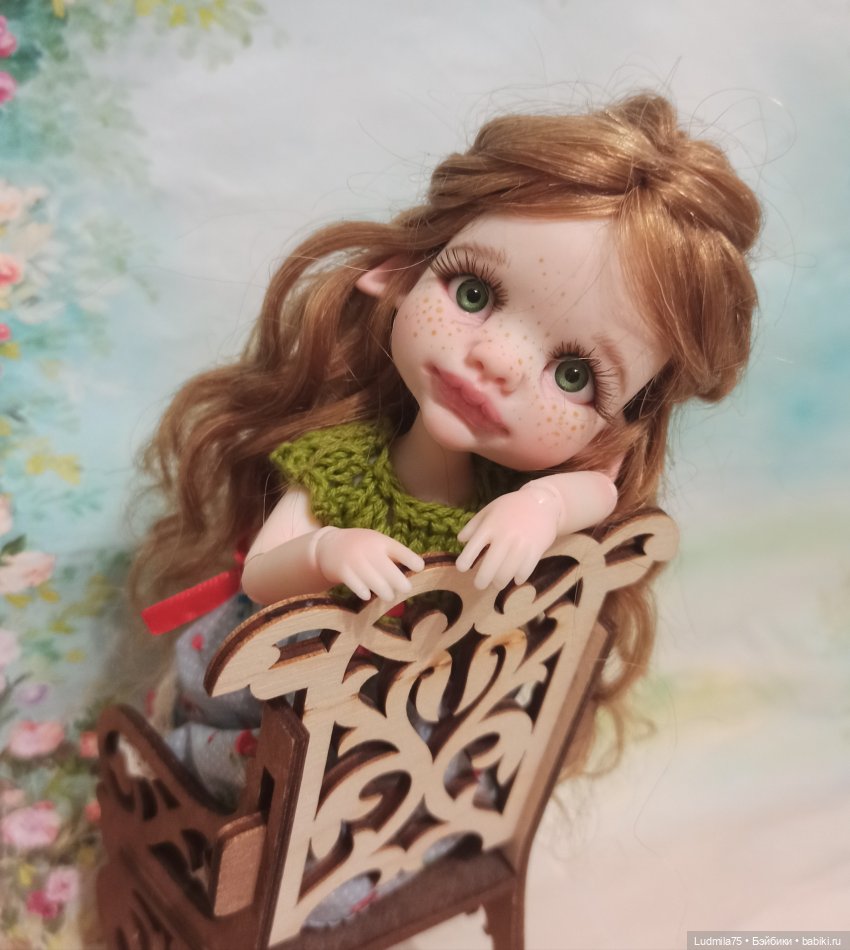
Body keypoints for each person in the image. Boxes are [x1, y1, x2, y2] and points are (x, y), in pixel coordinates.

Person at [130, 90, 760, 812]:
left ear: (611, 430)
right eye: (474, 293)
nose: (498, 362)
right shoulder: (345, 463)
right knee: (244, 770)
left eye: (574, 374)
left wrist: (543, 504)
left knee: (387, 785)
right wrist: (328, 551)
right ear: (399, 271)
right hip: (282, 679)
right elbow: (265, 573)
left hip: (406, 704)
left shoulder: (507, 493)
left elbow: (598, 493)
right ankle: (168, 778)